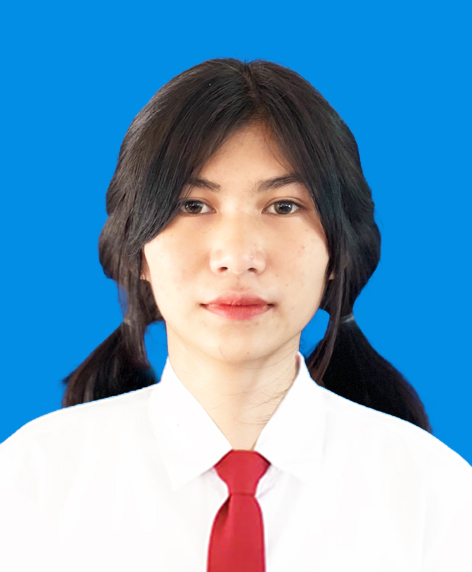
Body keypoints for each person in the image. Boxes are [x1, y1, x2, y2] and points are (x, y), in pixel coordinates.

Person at [0, 57, 471, 572]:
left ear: (340, 250)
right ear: (138, 251)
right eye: (193, 206)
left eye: (284, 206)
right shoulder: (31, 484)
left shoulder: (437, 496)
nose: (238, 255)